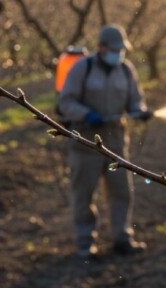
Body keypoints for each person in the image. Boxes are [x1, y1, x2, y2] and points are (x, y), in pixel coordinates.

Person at [58, 24, 151, 258]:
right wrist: (86, 114)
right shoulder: (82, 68)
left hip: (116, 143)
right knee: (83, 195)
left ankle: (122, 238)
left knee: (122, 193)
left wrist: (140, 111)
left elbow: (135, 100)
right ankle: (85, 243)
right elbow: (65, 102)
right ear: (101, 47)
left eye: (121, 50)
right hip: (85, 142)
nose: (118, 54)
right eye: (114, 49)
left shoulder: (126, 70)